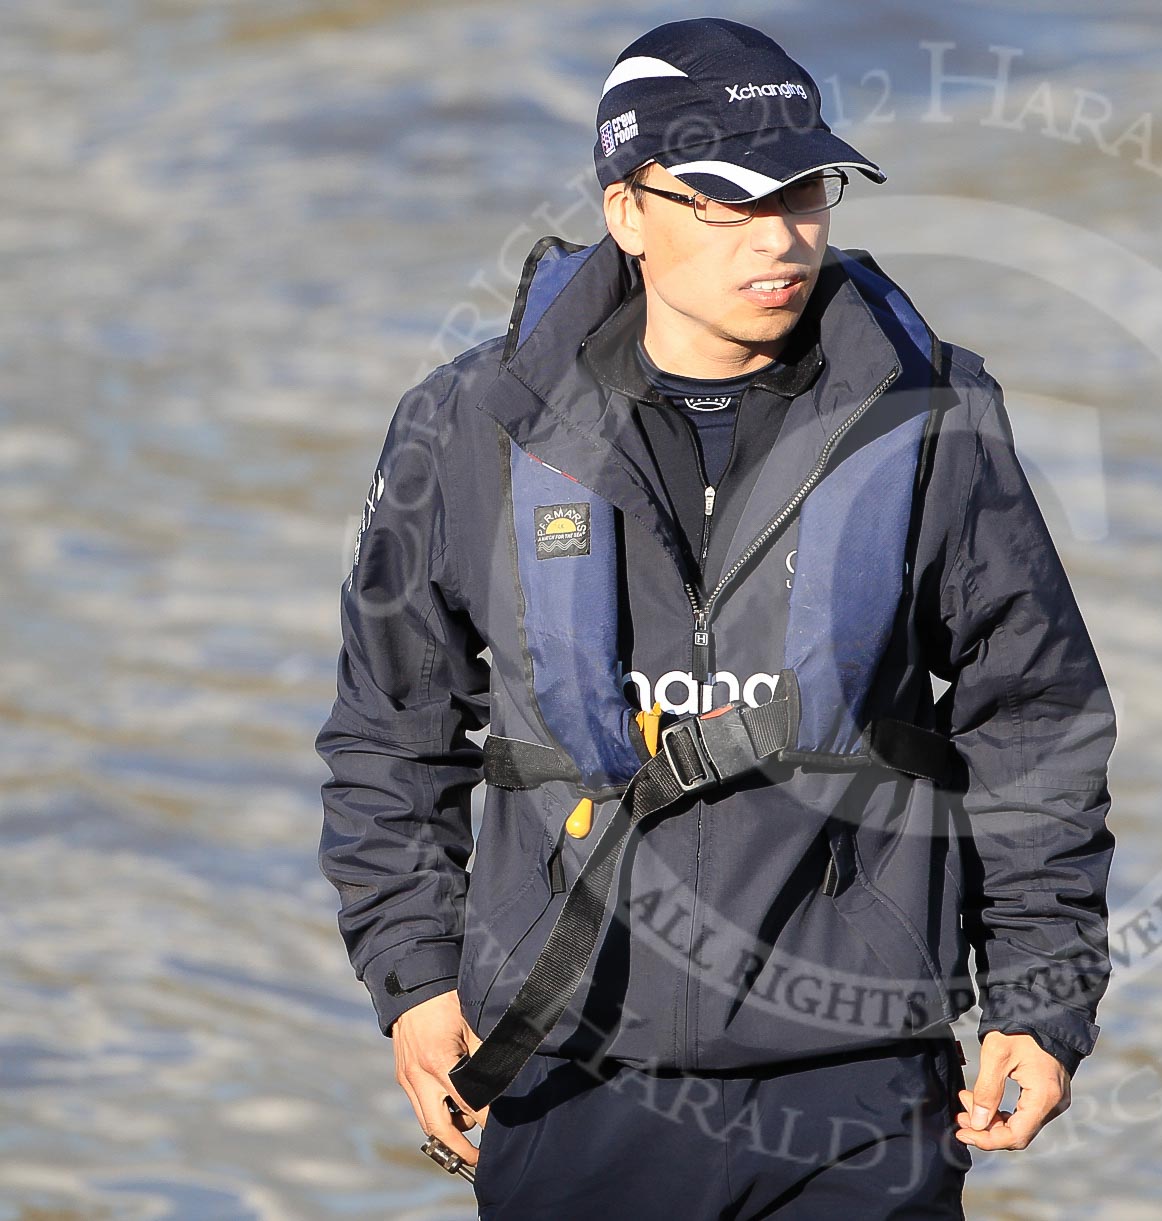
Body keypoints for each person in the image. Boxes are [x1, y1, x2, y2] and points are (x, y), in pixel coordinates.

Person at [317, 17, 1117, 1217]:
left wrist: (1039, 1001)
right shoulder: (466, 426)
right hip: (567, 1068)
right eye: (725, 203)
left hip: (859, 1081)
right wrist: (416, 978)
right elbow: (388, 729)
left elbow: (1034, 719)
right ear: (626, 208)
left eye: (802, 192)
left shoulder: (935, 416)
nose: (780, 237)